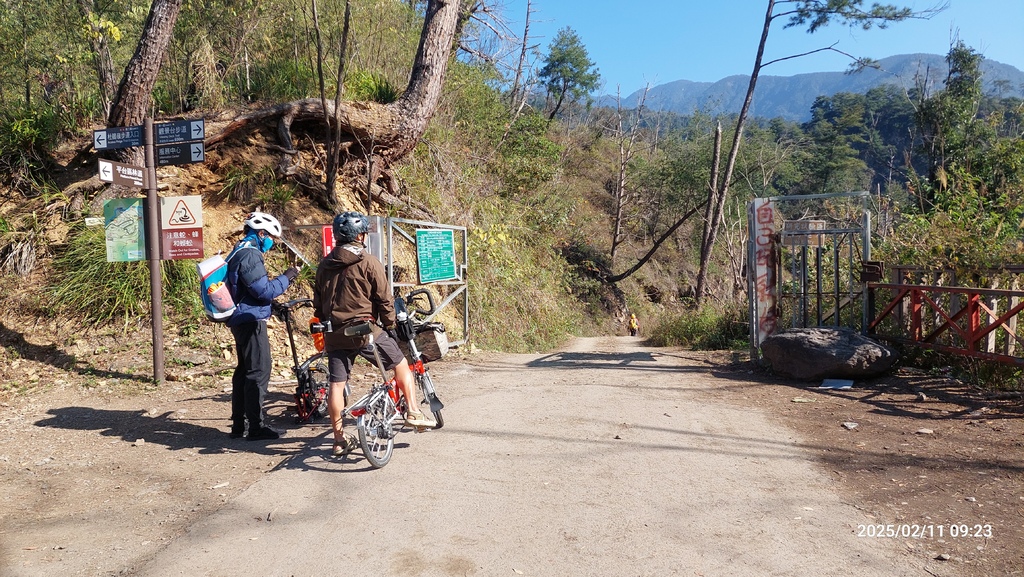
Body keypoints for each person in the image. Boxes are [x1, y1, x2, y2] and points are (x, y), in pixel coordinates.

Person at [314, 211, 433, 457]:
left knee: (337, 384)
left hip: (334, 333)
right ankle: (412, 410)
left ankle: (338, 440)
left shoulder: (324, 266)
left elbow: (318, 304)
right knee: (400, 363)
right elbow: (384, 299)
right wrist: (390, 324)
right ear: (359, 236)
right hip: (365, 331)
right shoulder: (368, 262)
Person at [225, 211, 299, 441]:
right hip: (250, 320)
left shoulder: (239, 249)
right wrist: (288, 276)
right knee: (258, 371)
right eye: (271, 238)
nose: (272, 243)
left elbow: (250, 290)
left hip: (241, 317)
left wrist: (272, 306)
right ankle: (255, 427)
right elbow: (262, 290)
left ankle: (239, 425)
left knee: (244, 372)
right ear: (261, 233)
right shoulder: (250, 254)